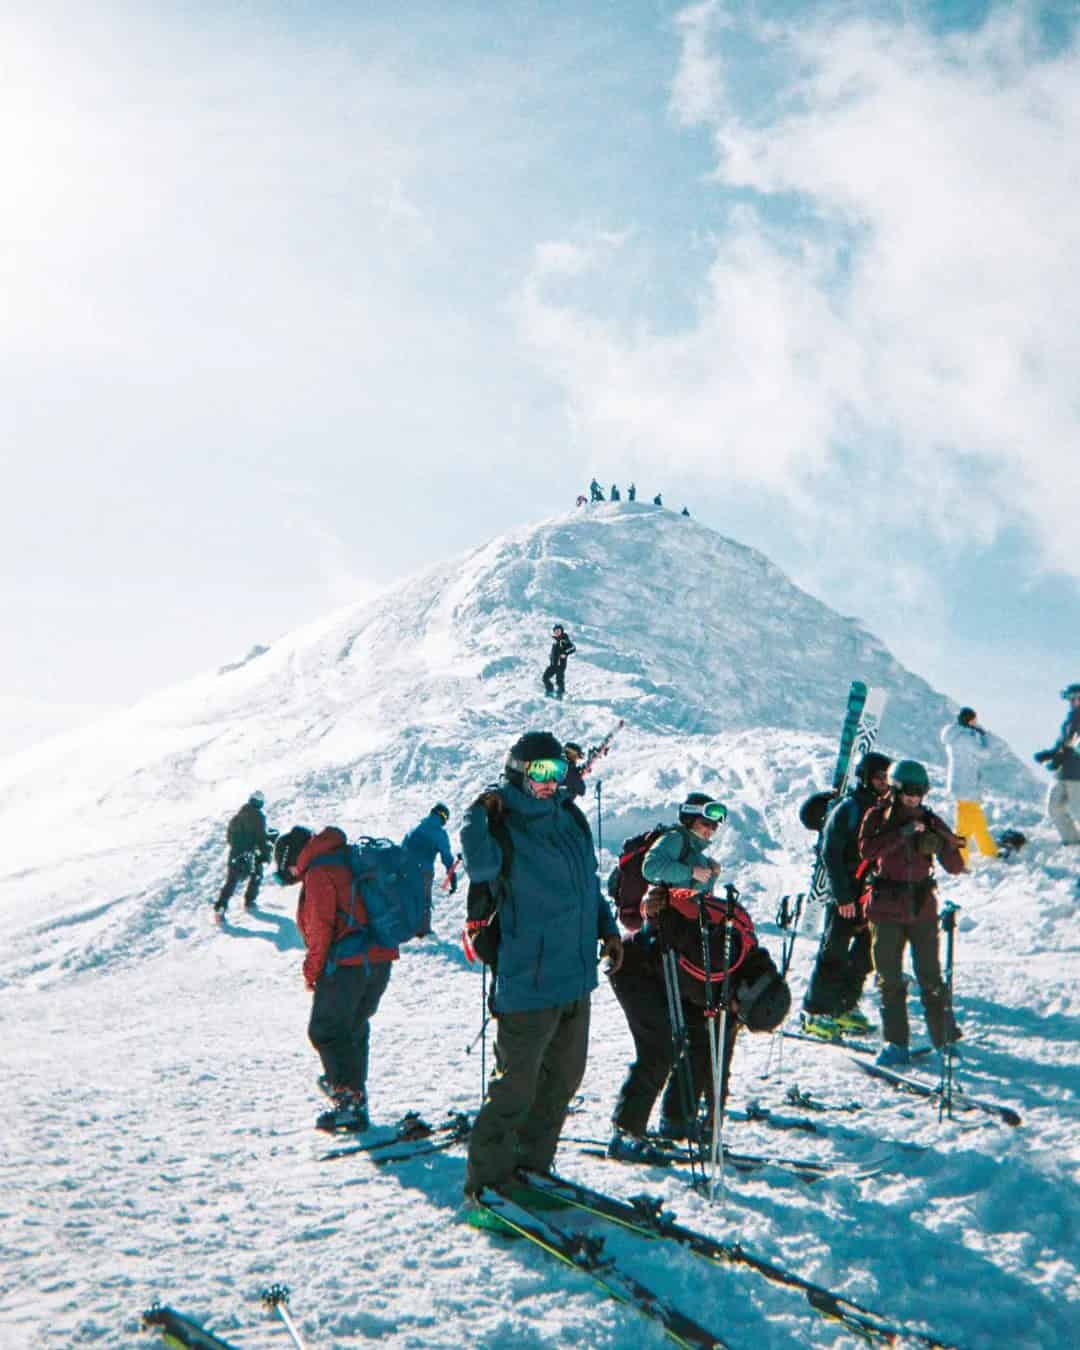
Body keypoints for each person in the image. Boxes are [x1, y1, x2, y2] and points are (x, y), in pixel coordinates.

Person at [460, 731, 622, 1200]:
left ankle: (531, 1168)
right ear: (518, 771)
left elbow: (587, 885)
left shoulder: (569, 817)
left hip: (575, 979)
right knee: (515, 1090)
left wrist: (609, 931)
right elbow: (479, 868)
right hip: (528, 981)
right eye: (540, 772)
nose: (552, 781)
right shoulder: (500, 823)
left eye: (558, 771)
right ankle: (486, 1184)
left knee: (562, 1083)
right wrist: (477, 813)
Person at [608, 794, 789, 1150]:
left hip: (677, 948)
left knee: (702, 1039)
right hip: (648, 956)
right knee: (661, 1047)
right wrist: (692, 873)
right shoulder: (675, 839)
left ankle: (679, 1119)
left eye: (714, 824)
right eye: (704, 822)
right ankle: (626, 1132)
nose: (710, 829)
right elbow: (651, 868)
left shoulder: (701, 858)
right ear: (689, 819)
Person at [277, 824, 399, 1132]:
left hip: (349, 964)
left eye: (288, 866)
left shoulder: (320, 871)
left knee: (326, 1030)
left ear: (294, 856)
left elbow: (320, 930)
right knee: (353, 1028)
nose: (292, 873)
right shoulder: (344, 857)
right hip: (379, 960)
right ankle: (356, 1101)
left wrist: (311, 972)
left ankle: (348, 1099)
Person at [858, 760, 965, 1068]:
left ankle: (945, 1040)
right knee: (889, 978)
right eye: (909, 792)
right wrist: (902, 833)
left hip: (921, 909)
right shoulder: (877, 818)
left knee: (931, 977)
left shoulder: (931, 820)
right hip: (885, 908)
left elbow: (954, 866)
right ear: (895, 790)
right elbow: (866, 851)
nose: (914, 798)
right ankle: (895, 1043)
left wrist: (947, 842)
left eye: (920, 792)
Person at [802, 752, 893, 1038]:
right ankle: (816, 1013)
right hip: (845, 893)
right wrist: (842, 897)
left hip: (872, 896)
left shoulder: (886, 808)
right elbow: (830, 852)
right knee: (834, 952)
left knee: (864, 955)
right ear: (866, 777)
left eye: (888, 778)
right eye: (879, 777)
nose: (884, 783)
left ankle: (844, 1007)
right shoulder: (849, 808)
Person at [1034, 684, 1080, 845]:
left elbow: (1074, 745)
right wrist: (1049, 754)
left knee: (1077, 810)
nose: (1072, 702)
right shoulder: (1070, 719)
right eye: (1071, 699)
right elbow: (1063, 744)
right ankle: (1072, 841)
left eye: (1075, 698)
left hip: (1076, 774)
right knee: (1054, 807)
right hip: (1063, 772)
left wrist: (1059, 756)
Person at [214, 791, 272, 917]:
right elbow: (261, 838)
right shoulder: (258, 817)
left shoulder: (237, 816)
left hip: (235, 853)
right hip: (250, 854)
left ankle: (221, 907)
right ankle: (249, 901)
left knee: (231, 881)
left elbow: (229, 836)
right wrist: (265, 853)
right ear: (260, 803)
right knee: (257, 875)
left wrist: (237, 847)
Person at [403, 803, 458, 911]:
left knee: (404, 901)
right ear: (444, 819)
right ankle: (423, 925)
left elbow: (402, 847)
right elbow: (447, 858)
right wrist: (452, 879)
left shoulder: (416, 826)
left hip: (404, 869)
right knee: (423, 905)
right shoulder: (440, 833)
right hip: (423, 871)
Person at [542, 624, 576, 700]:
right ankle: (550, 690)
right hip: (553, 664)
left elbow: (573, 648)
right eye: (556, 631)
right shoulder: (555, 640)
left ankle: (560, 694)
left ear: (561, 631)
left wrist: (565, 653)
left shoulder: (564, 639)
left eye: (559, 631)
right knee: (545, 677)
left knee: (559, 680)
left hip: (561, 665)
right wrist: (551, 656)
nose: (557, 632)